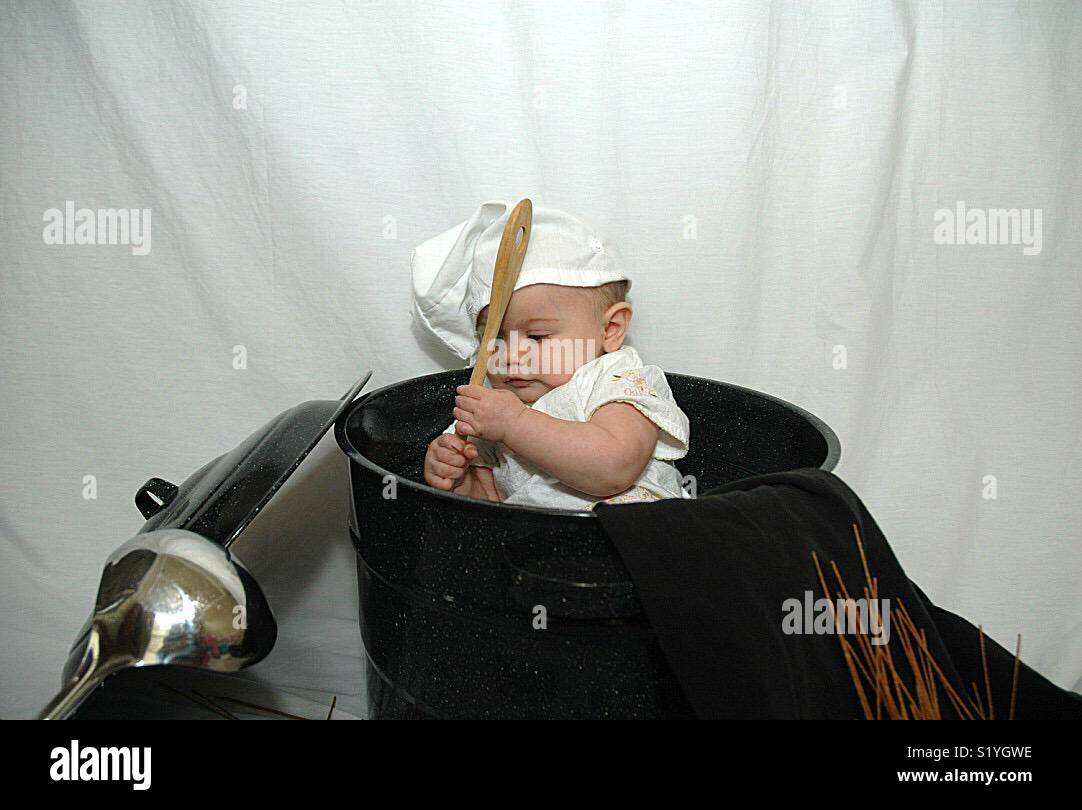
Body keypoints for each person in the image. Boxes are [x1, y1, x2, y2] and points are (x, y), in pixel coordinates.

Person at [412, 200, 691, 510]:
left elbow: (613, 470)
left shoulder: (616, 379)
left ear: (610, 329)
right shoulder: (495, 404)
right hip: (538, 547)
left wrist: (515, 423)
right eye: (494, 338)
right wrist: (461, 481)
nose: (511, 355)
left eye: (537, 337)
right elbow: (494, 505)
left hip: (631, 541)